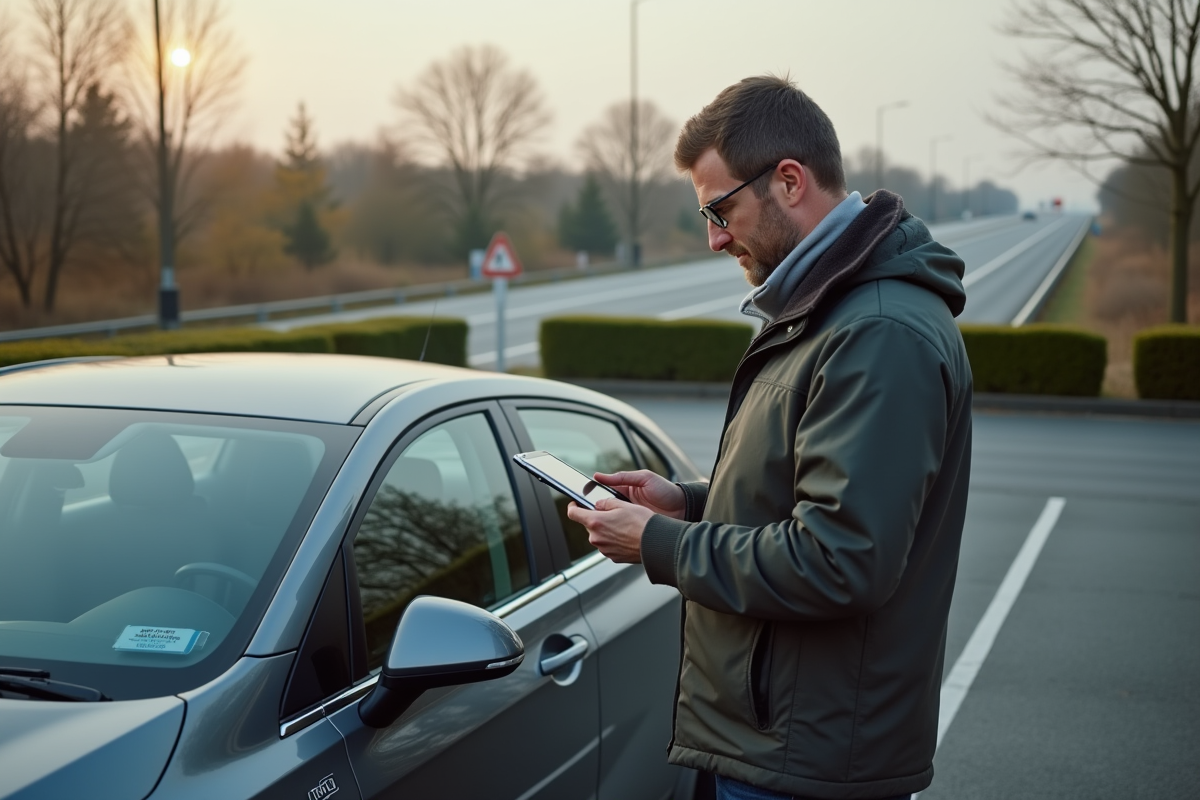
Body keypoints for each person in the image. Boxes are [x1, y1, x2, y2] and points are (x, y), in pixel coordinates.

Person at [566, 76, 973, 800]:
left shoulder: (876, 332)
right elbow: (801, 495)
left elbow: (841, 559)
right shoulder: (830, 310)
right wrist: (688, 504)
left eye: (721, 210)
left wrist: (656, 544)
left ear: (789, 181)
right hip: (779, 743)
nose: (716, 238)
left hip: (805, 760)